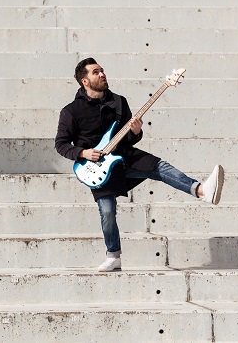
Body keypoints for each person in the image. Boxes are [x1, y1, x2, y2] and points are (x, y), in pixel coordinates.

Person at [55, 58, 224, 272]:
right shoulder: (71, 111)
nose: (102, 74)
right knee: (107, 211)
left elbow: (129, 139)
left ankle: (201, 190)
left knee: (160, 167)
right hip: (96, 167)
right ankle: (113, 256)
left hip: (124, 155)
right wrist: (83, 153)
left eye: (102, 70)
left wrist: (135, 132)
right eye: (96, 72)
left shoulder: (119, 102)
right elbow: (61, 144)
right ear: (85, 81)